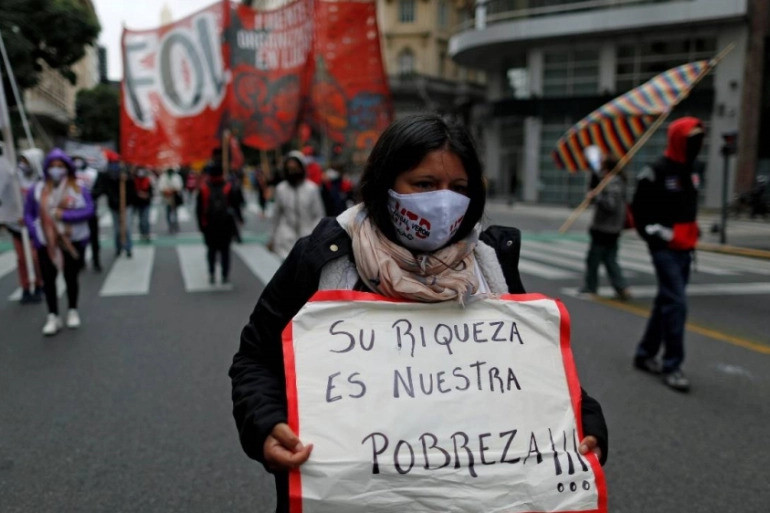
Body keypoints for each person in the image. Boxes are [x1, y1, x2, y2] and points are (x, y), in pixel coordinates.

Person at [229, 114, 608, 512]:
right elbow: (256, 358)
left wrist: (586, 423)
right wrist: (266, 424)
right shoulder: (323, 259)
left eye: (458, 188)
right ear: (386, 183)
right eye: (424, 184)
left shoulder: (490, 264)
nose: (444, 202)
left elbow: (536, 371)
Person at [631, 116, 704, 392]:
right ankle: (672, 366)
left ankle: (644, 353)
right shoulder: (656, 171)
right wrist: (655, 234)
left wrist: (693, 231)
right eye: (691, 139)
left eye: (699, 139)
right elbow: (638, 210)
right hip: (664, 249)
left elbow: (688, 207)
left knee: (666, 302)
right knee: (676, 303)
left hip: (686, 248)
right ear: (678, 139)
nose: (697, 144)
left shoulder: (692, 169)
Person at [24, 148, 94, 336]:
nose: (56, 169)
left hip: (71, 241)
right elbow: (29, 213)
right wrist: (35, 233)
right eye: (53, 165)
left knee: (71, 277)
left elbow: (89, 210)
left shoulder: (78, 188)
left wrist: (64, 215)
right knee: (48, 279)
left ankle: (72, 310)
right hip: (46, 242)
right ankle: (53, 315)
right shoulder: (37, 190)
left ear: (67, 168)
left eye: (60, 165)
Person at [579, 155, 631, 299]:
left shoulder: (613, 183)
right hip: (610, 228)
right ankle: (621, 287)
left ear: (607, 168)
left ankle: (591, 286)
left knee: (594, 259)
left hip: (605, 228)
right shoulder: (611, 182)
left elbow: (610, 205)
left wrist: (596, 197)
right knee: (609, 259)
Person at [0, 148, 44, 303]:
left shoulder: (41, 181)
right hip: (16, 225)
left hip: (34, 226)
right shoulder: (14, 177)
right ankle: (25, 287)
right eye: (21, 160)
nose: (22, 164)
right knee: (22, 259)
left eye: (26, 161)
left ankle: (39, 284)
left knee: (35, 258)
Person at [267, 151, 325, 259]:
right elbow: (276, 216)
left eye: (295, 168)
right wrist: (272, 238)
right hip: (285, 241)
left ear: (302, 168)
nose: (292, 172)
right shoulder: (281, 189)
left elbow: (318, 215)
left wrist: (316, 236)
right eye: (289, 169)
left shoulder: (312, 189)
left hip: (307, 239)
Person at [196, 149, 239, 284]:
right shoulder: (228, 187)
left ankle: (212, 273)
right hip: (226, 225)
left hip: (209, 226)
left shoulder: (204, 189)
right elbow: (235, 206)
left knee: (211, 251)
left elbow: (199, 209)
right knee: (225, 251)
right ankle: (225, 274)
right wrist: (238, 221)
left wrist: (201, 226)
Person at [92, 155, 135, 258]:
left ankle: (128, 247)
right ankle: (118, 247)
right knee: (117, 229)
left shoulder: (126, 173)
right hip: (114, 206)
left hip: (126, 205)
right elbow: (101, 189)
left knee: (126, 228)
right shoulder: (106, 175)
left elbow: (133, 190)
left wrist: (127, 179)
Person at [72, 155, 102, 271]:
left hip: (90, 210)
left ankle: (96, 261)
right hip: (76, 211)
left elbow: (99, 189)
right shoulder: (70, 174)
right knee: (79, 237)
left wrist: (89, 197)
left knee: (94, 237)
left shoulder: (93, 173)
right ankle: (81, 261)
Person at [157, 167, 183, 233]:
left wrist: (173, 190)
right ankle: (170, 225)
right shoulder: (163, 177)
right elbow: (161, 187)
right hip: (167, 198)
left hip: (175, 197)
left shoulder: (177, 177)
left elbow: (179, 187)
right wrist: (166, 191)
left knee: (175, 212)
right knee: (168, 212)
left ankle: (175, 225)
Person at [132, 166, 153, 242]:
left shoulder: (147, 180)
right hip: (137, 203)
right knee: (141, 220)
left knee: (145, 219)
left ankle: (146, 233)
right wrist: (138, 194)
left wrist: (146, 195)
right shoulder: (134, 181)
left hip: (146, 203)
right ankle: (142, 233)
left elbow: (151, 193)